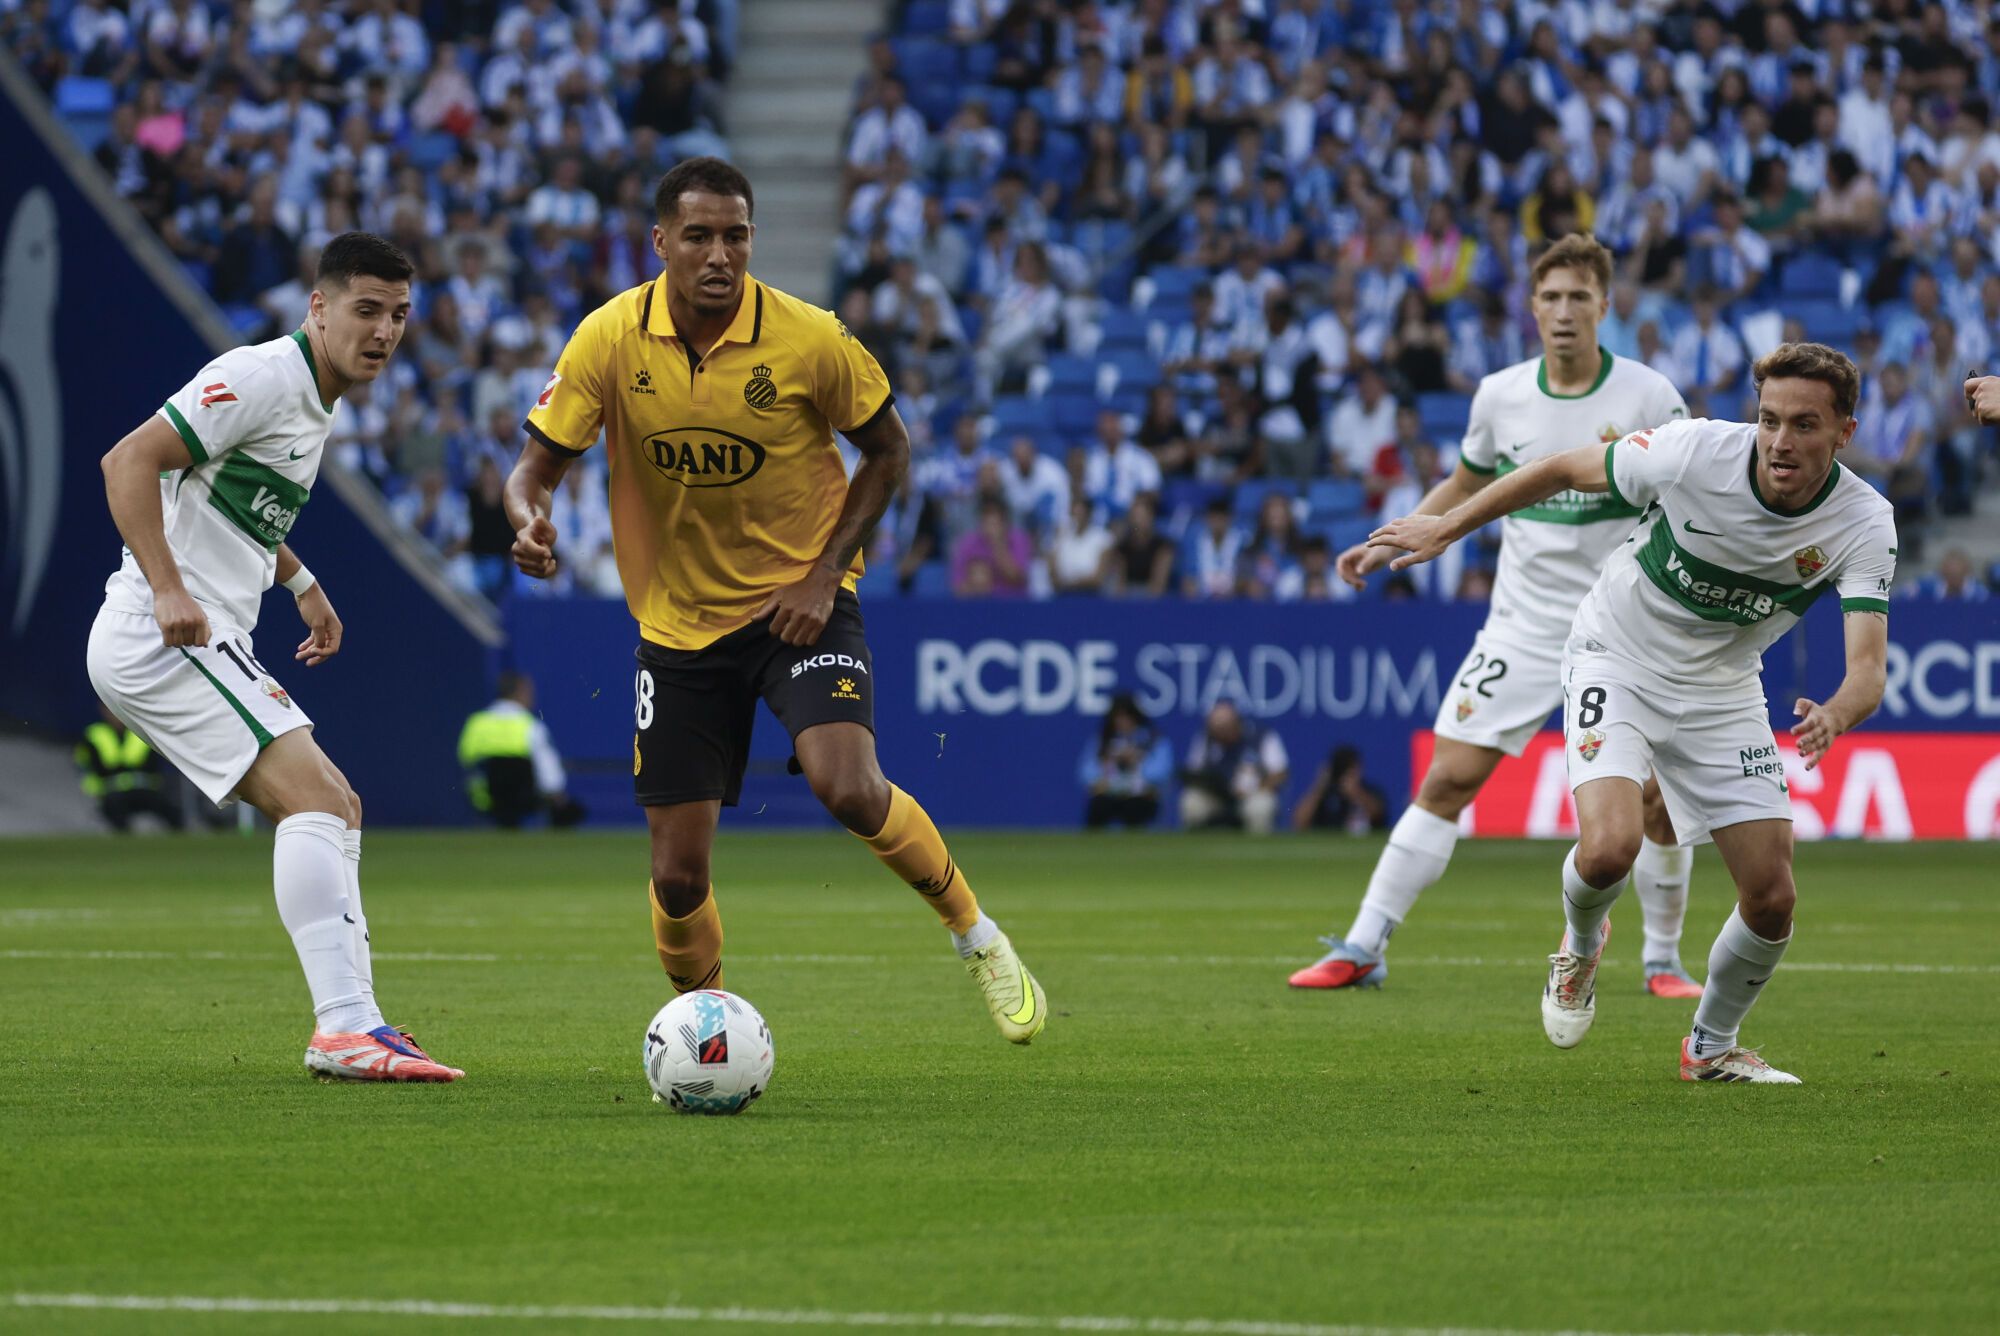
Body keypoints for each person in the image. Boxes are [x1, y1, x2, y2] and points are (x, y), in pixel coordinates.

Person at [505, 158, 1046, 1043]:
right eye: (700, 236)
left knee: (847, 786)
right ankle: (706, 1028)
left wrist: (826, 571)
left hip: (801, 604)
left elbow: (890, 451)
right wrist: (530, 520)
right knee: (678, 878)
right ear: (660, 243)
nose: (720, 254)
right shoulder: (607, 339)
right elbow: (533, 470)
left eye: (736, 236)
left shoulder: (810, 338)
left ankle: (976, 936)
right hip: (678, 626)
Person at [1373, 342, 1895, 1083]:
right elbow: (1559, 468)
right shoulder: (1690, 453)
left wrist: (1838, 714)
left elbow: (1868, 670)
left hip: (1723, 689)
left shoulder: (1865, 522)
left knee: (1773, 897)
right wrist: (1446, 526)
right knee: (1610, 848)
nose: (1780, 441)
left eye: (1805, 425)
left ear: (1844, 431)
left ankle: (1710, 1047)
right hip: (1614, 654)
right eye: (1769, 419)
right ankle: (1580, 947)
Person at [85, 232, 461, 1082]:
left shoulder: (315, 401)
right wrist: (170, 588)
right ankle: (344, 1029)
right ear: (318, 308)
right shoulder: (263, 377)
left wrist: (303, 583)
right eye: (366, 310)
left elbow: (241, 505)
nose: (385, 332)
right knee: (320, 799)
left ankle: (357, 1024)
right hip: (163, 630)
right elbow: (129, 461)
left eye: (400, 315)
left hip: (200, 629)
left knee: (334, 805)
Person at [1291, 234, 1701, 997]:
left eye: (1581, 296)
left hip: (1627, 631)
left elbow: (1688, 498)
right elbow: (1464, 482)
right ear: (1532, 308)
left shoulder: (1649, 397)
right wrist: (1390, 540)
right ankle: (1364, 945)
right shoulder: (1500, 395)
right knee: (1447, 778)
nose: (1565, 312)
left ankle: (1663, 958)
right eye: (1551, 297)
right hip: (1525, 623)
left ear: (1605, 307)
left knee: (1656, 804)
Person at [458, 670, 587, 829]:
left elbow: (466, 760)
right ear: (520, 693)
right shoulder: (529, 726)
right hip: (523, 798)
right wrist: (558, 798)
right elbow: (549, 773)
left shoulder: (476, 723)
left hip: (485, 798)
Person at [1179, 700, 1288, 835]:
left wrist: (1253, 789)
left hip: (1252, 795)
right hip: (1216, 797)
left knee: (1261, 807)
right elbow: (1194, 770)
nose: (1219, 735)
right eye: (1216, 731)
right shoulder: (1206, 738)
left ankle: (1258, 853)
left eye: (1224, 730)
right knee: (1192, 802)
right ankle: (1197, 852)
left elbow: (1280, 773)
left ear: (1236, 724)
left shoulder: (1261, 736)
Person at [75, 704, 183, 832]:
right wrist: (93, 788)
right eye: (110, 709)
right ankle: (125, 843)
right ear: (103, 710)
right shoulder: (94, 734)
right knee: (115, 811)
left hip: (144, 790)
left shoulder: (142, 731)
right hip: (111, 792)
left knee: (173, 811)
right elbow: (82, 764)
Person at [1078, 693, 1173, 829]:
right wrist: (1105, 767)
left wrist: (1137, 761)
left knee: (1135, 807)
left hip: (1139, 796)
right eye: (1117, 717)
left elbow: (1162, 773)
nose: (1122, 721)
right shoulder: (1102, 741)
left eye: (1126, 716)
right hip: (1109, 794)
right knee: (1099, 805)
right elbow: (1086, 773)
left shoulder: (1153, 740)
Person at [1291, 744, 1388, 834]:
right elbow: (1299, 822)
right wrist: (1319, 786)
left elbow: (1378, 814)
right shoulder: (1325, 794)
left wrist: (1356, 793)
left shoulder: (1370, 791)